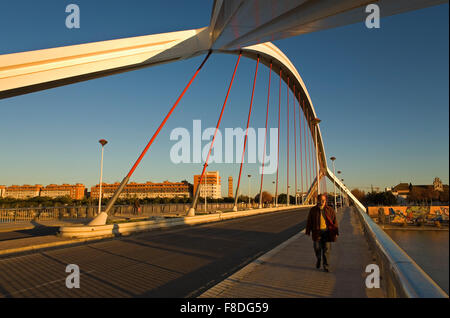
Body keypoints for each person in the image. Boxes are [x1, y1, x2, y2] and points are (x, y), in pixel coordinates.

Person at [305, 193, 339, 272]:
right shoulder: (313, 210)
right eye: (320, 200)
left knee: (326, 250)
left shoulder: (330, 210)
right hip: (317, 232)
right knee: (317, 248)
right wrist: (308, 231)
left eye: (323, 200)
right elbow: (309, 221)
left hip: (327, 232)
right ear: (317, 201)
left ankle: (326, 266)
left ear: (325, 201)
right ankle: (319, 259)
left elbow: (335, 222)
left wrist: (336, 233)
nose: (321, 202)